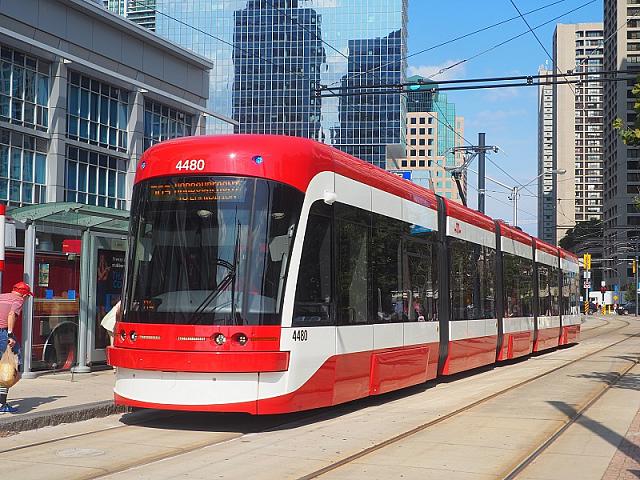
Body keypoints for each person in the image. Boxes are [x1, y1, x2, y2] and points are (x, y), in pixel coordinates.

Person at [0, 282, 32, 413]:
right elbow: (12, 314)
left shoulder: (2, 296)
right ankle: (2, 404)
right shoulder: (18, 300)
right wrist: (10, 335)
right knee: (9, 368)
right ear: (24, 294)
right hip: (3, 333)